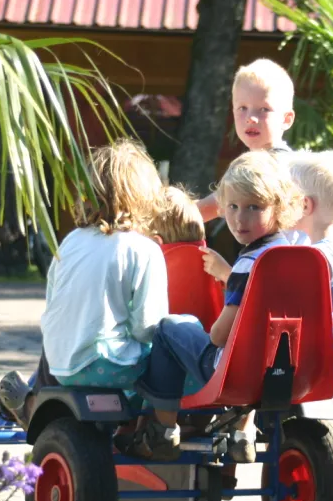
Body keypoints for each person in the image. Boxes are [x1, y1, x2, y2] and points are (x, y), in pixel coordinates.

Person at [114, 150, 304, 461]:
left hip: (232, 373)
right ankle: (242, 432)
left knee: (169, 328)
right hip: (283, 370)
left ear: (280, 207)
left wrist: (208, 325)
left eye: (254, 207)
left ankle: (163, 430)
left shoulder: (249, 264)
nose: (240, 219)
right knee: (255, 350)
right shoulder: (295, 256)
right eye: (233, 207)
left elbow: (219, 335)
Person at [226, 149, 333, 501]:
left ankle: (231, 446)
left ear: (302, 205)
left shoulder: (303, 259)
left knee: (224, 362)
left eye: (286, 196)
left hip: (291, 359)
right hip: (326, 363)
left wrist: (228, 276)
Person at [0, 140, 168, 426]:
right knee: (169, 344)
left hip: (61, 365)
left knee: (72, 330)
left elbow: (54, 305)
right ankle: (153, 428)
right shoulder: (144, 249)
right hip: (110, 367)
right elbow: (147, 327)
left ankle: (33, 404)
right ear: (147, 196)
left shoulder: (70, 241)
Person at [194, 58, 297, 224]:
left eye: (264, 109)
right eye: (243, 108)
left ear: (286, 119)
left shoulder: (267, 167)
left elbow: (203, 210)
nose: (250, 118)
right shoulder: (282, 161)